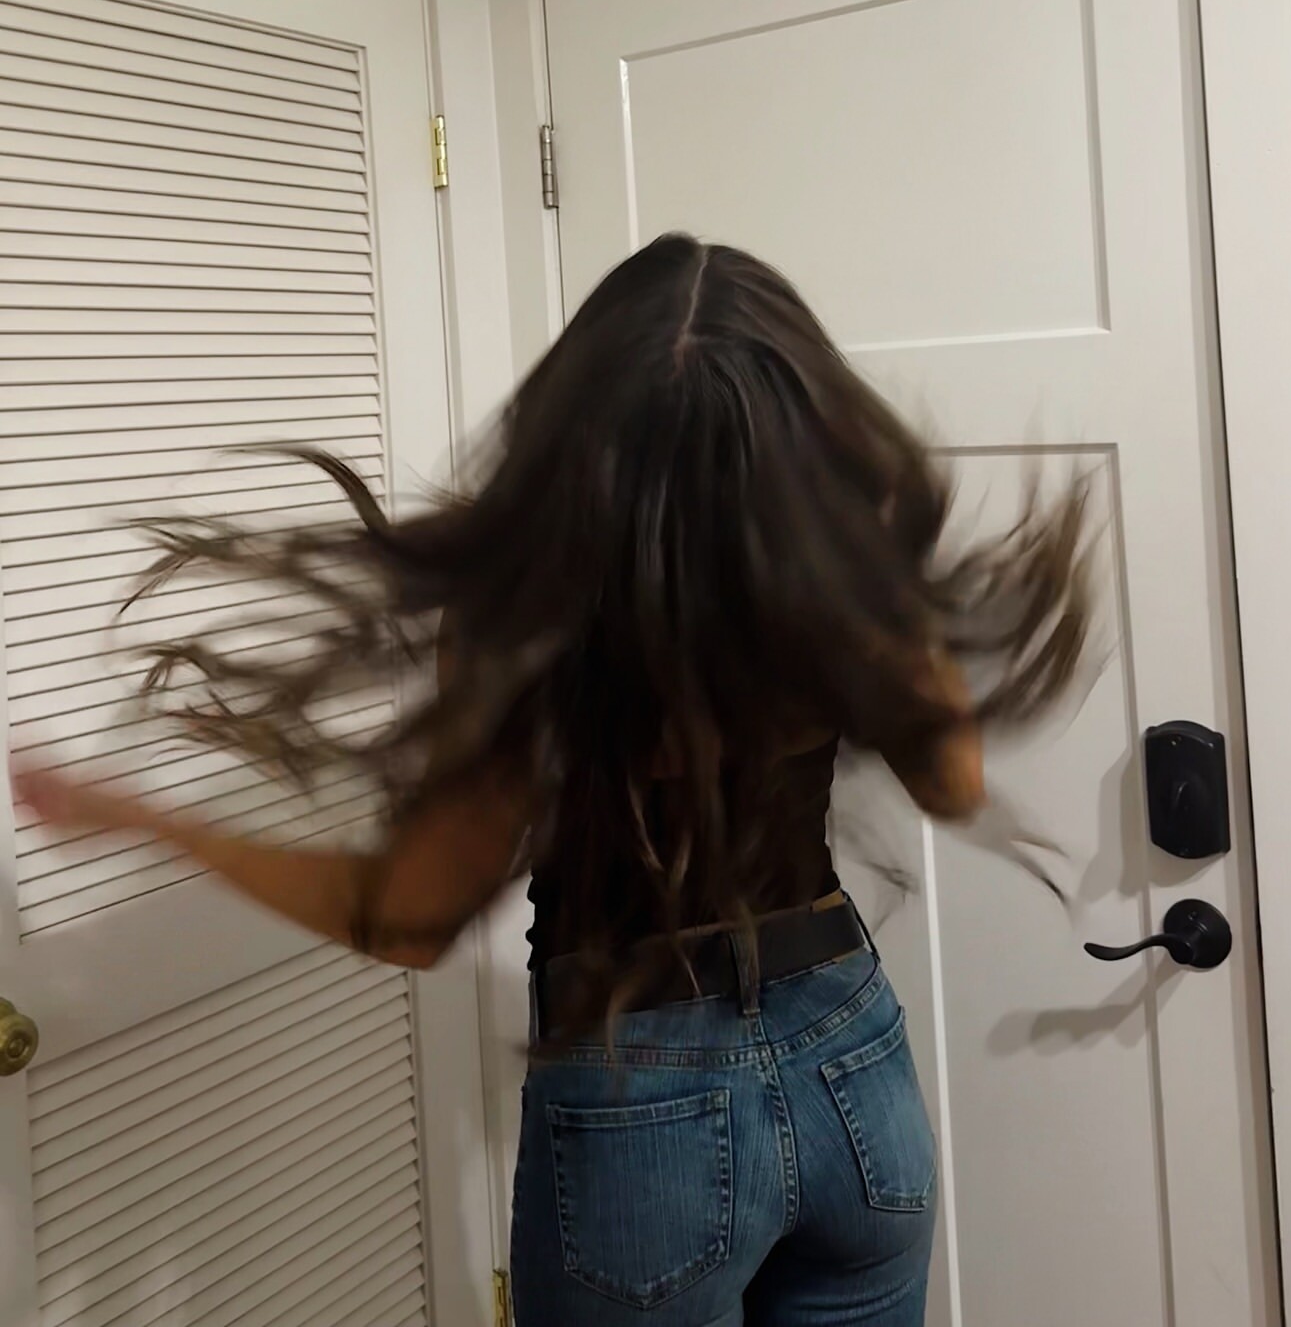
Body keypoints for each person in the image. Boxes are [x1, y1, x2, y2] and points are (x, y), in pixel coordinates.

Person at [13, 234, 1092, 1325]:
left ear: (579, 422)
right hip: (853, 1066)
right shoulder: (850, 594)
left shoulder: (516, 622)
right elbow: (952, 787)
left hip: (642, 1106)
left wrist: (156, 821)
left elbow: (405, 921)